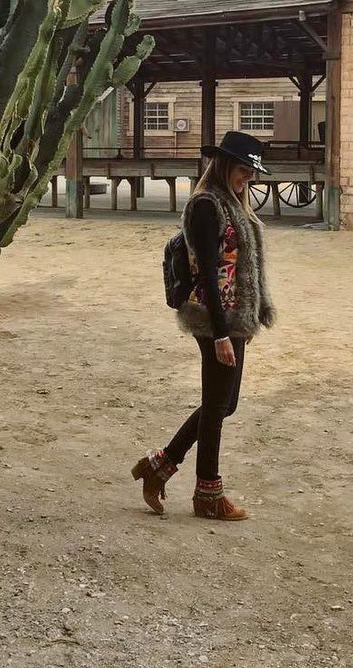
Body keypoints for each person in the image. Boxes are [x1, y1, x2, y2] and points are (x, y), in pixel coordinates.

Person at [131, 131, 276, 520]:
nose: (250, 178)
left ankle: (159, 465)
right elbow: (209, 275)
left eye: (252, 172)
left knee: (224, 404)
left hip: (235, 316)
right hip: (216, 318)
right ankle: (208, 494)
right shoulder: (206, 206)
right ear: (226, 165)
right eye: (245, 170)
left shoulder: (231, 202)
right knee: (216, 405)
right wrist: (221, 334)